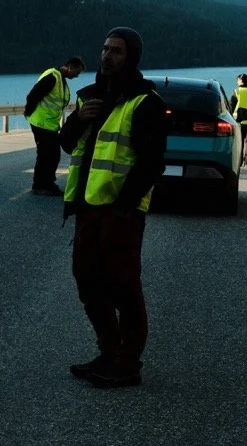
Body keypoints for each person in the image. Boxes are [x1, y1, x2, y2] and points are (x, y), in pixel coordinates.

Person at [59, 28, 166, 389]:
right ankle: (109, 351)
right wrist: (78, 120)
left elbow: (152, 163)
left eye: (116, 51)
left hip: (121, 213)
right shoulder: (89, 97)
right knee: (87, 281)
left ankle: (128, 363)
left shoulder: (144, 102)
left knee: (123, 286)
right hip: (88, 209)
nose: (107, 56)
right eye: (104, 48)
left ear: (130, 57)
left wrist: (123, 207)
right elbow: (67, 143)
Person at [23, 56, 85, 196]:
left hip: (49, 124)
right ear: (70, 67)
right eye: (77, 72)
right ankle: (40, 185)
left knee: (52, 155)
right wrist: (28, 112)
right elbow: (33, 95)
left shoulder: (60, 79)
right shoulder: (52, 77)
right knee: (47, 154)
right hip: (41, 123)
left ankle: (47, 183)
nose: (77, 76)